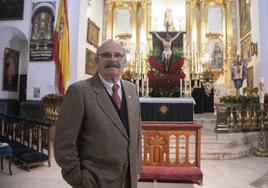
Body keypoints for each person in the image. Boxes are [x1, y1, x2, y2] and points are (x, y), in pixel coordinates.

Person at [54, 39, 142, 188]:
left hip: (129, 180)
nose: (113, 59)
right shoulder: (79, 91)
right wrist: (79, 181)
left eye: (118, 55)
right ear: (96, 60)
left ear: (125, 61)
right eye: (106, 55)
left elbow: (136, 135)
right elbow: (64, 144)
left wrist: (136, 168)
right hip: (95, 181)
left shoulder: (132, 90)